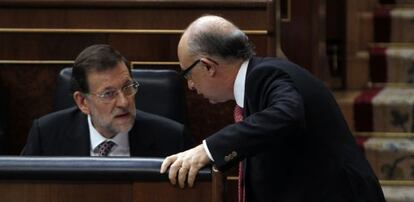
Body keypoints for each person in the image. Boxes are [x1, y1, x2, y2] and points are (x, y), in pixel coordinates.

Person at [160, 15, 385, 201]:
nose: (189, 85)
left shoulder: (265, 75)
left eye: (188, 74)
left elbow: (287, 116)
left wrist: (207, 149)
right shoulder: (256, 81)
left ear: (208, 66)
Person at [22, 44, 192, 157]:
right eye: (108, 94)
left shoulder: (172, 140)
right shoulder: (46, 136)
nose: (124, 102)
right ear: (82, 102)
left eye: (128, 87)